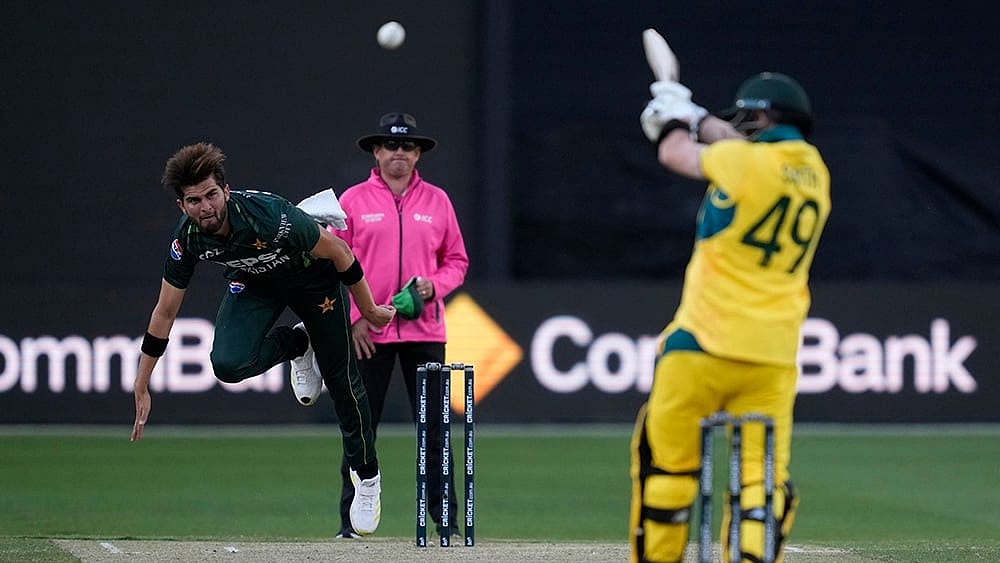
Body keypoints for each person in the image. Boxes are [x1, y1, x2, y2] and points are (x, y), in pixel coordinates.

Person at [130, 142, 396, 537]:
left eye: (211, 195)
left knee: (341, 382)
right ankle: (297, 345)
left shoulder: (269, 217)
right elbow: (164, 312)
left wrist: (370, 310)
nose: (206, 207)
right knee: (227, 364)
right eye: (194, 200)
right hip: (256, 282)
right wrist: (142, 382)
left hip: (313, 279)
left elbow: (339, 251)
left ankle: (368, 478)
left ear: (226, 190)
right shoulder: (188, 238)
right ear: (181, 205)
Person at [630, 72, 831, 563]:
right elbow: (743, 148)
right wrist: (699, 115)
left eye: (748, 118)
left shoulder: (743, 164)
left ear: (762, 117)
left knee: (669, 473)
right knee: (762, 486)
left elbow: (675, 154)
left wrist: (675, 122)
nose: (739, 126)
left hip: (700, 345)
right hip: (772, 358)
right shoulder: (815, 173)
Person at [330, 113, 470, 540]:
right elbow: (334, 265)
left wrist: (433, 287)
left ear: (418, 155)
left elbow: (457, 263)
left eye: (408, 147)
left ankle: (444, 520)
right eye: (391, 146)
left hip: (425, 333)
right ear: (376, 151)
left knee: (435, 432)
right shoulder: (352, 201)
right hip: (368, 333)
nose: (399, 154)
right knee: (360, 428)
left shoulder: (438, 201)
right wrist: (355, 319)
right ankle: (350, 523)